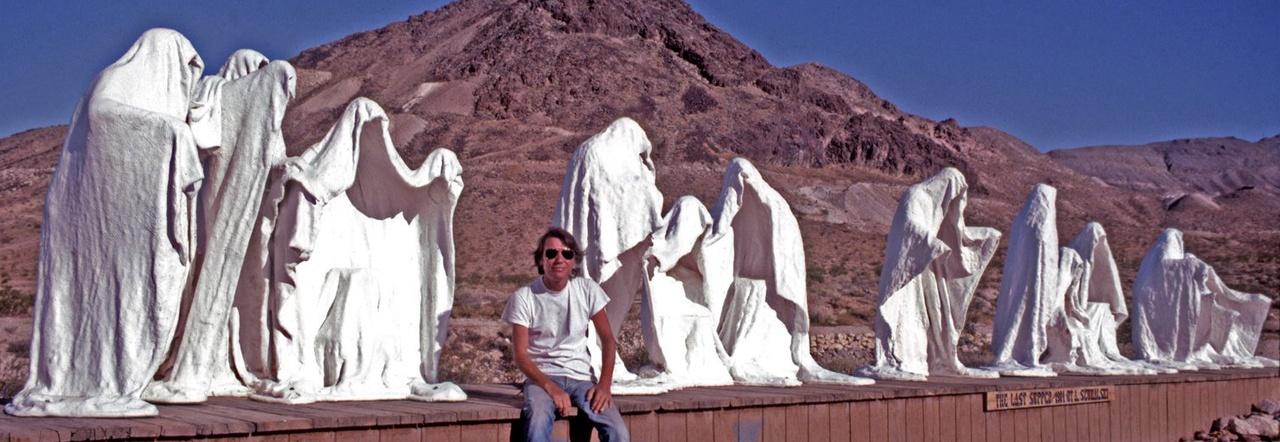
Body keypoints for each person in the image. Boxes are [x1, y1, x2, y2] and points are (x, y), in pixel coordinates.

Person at [503, 228, 630, 442]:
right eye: (551, 253)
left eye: (567, 254)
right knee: (537, 421)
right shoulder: (524, 297)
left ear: (574, 262)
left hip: (581, 378)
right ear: (541, 260)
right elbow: (521, 356)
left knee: (617, 431)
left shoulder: (587, 290)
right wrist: (551, 387)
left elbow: (608, 340)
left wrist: (605, 385)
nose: (559, 259)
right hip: (542, 378)